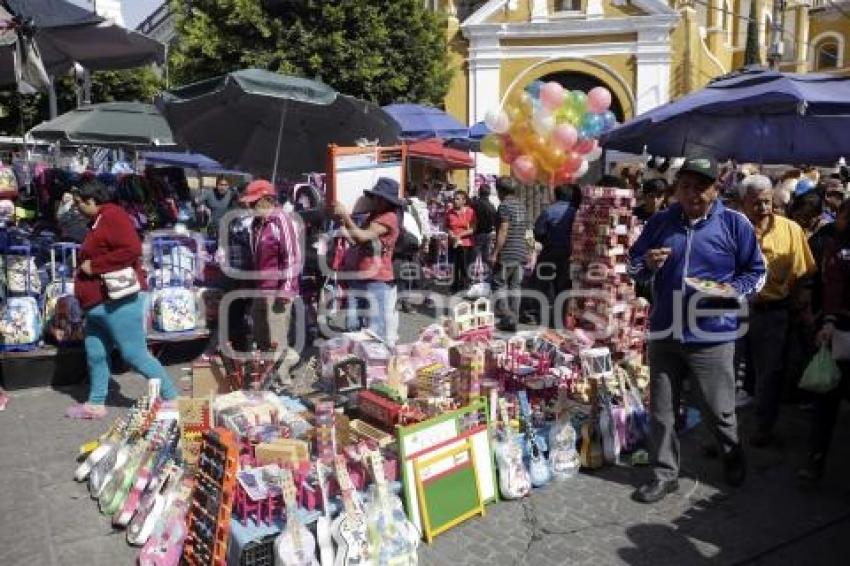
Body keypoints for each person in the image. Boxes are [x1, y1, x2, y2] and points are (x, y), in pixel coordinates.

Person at [627, 157, 766, 503]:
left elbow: (757, 271)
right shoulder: (661, 221)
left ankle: (732, 454)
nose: (692, 194)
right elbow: (632, 263)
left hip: (712, 334)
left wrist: (732, 291)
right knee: (661, 410)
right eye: (686, 186)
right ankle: (664, 474)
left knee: (717, 408)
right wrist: (647, 264)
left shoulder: (735, 224)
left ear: (715, 189)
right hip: (665, 330)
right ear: (676, 189)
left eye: (701, 187)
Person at [65, 181, 178, 419]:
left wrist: (94, 266)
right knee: (95, 353)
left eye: (79, 203)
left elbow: (132, 249)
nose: (76, 208)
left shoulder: (113, 216)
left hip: (118, 302)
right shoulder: (99, 220)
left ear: (92, 201)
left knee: (134, 354)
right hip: (99, 304)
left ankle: (172, 398)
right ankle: (96, 403)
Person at [739, 175, 816, 447]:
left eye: (767, 201)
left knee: (768, 374)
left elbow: (804, 273)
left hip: (771, 314)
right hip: (731, 312)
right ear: (743, 203)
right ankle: (721, 431)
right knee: (725, 371)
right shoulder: (729, 227)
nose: (763, 208)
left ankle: (763, 427)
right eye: (756, 203)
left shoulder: (790, 229)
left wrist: (800, 307)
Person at [798, 199, 850, 483]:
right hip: (840, 332)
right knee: (827, 402)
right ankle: (815, 460)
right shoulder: (838, 249)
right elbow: (833, 288)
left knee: (828, 405)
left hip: (837, 329)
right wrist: (828, 321)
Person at [241, 179, 302, 385]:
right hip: (261, 287)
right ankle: (268, 375)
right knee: (261, 336)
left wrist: (285, 290)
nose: (249, 206)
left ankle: (280, 380)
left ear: (266, 199)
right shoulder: (257, 224)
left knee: (276, 340)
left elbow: (292, 257)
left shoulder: (281, 220)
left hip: (277, 289)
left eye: (253, 202)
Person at [333, 177, 402, 346]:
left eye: (379, 197)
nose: (376, 200)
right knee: (353, 325)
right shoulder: (374, 215)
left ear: (388, 200)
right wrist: (344, 227)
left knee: (374, 329)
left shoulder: (389, 217)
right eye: (375, 196)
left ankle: (373, 367)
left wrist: (346, 217)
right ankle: (355, 365)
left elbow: (363, 235)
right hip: (361, 276)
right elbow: (358, 241)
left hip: (377, 279)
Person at [531, 183, 578, 326]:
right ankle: (560, 320)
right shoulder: (576, 211)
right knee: (563, 287)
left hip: (550, 252)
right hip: (569, 254)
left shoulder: (549, 211)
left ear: (556, 195)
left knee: (542, 285)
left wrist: (545, 239)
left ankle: (538, 317)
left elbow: (538, 231)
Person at [489, 176, 528, 332]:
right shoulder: (521, 206)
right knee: (515, 286)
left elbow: (503, 230)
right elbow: (526, 230)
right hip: (520, 251)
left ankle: (507, 318)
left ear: (500, 191)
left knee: (498, 284)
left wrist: (495, 252)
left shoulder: (504, 206)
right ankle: (513, 319)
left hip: (508, 252)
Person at [445, 190, 476, 294]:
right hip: (453, 243)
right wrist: (451, 234)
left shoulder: (470, 212)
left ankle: (464, 288)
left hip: (466, 244)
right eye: (454, 198)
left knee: (464, 267)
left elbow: (472, 229)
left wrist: (459, 235)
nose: (455, 200)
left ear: (464, 201)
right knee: (453, 266)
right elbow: (447, 226)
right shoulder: (450, 212)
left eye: (458, 199)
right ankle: (453, 288)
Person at [470, 185, 497, 269]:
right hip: (488, 233)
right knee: (486, 257)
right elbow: (495, 220)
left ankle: (471, 277)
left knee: (472, 258)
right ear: (489, 194)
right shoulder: (492, 206)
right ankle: (487, 277)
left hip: (476, 233)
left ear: (479, 192)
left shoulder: (474, 204)